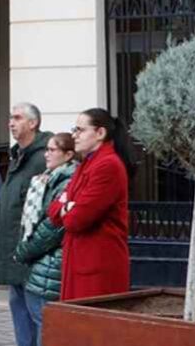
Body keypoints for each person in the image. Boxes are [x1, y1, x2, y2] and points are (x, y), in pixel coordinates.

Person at [48, 108, 131, 300]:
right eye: (74, 129)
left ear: (100, 133)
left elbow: (76, 220)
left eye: (80, 130)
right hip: (80, 261)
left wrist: (67, 207)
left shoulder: (108, 165)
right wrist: (68, 206)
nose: (74, 136)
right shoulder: (88, 163)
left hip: (98, 265)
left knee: (95, 327)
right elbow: (53, 210)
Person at [13, 133, 77, 344]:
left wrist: (24, 251)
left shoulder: (67, 181)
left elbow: (52, 226)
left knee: (46, 326)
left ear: (68, 154)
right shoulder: (48, 177)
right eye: (46, 149)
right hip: (41, 264)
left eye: (52, 150)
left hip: (51, 264)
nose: (46, 154)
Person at [0, 102, 52, 346]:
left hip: (31, 253)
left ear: (33, 123)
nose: (11, 122)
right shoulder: (18, 154)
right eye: (10, 118)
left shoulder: (41, 158)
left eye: (18, 118)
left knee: (35, 313)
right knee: (18, 308)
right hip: (14, 250)